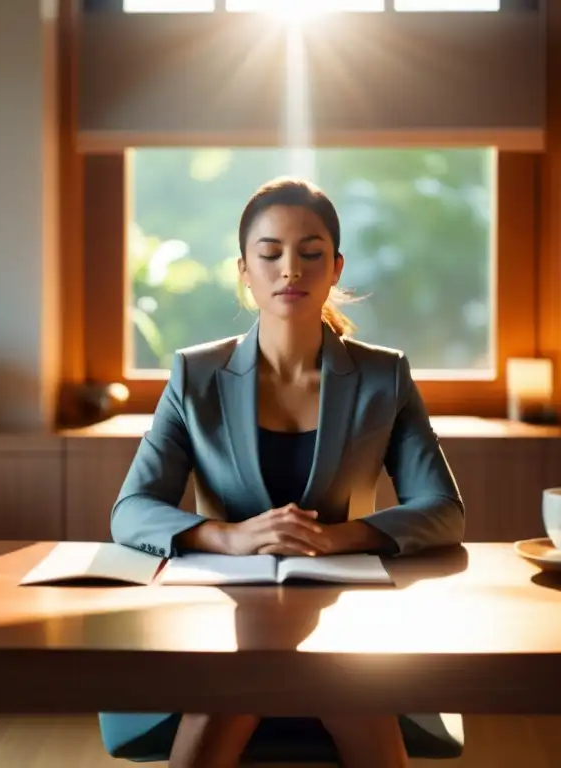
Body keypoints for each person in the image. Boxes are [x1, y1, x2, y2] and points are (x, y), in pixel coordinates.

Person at [101, 177, 466, 768]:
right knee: (284, 667)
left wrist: (336, 538)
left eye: (310, 253)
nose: (289, 269)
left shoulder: (384, 377)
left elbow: (443, 510)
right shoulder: (196, 376)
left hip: (344, 607)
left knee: (326, 671)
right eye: (269, 254)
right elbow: (132, 510)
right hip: (222, 612)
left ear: (335, 267)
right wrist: (231, 537)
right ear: (244, 270)